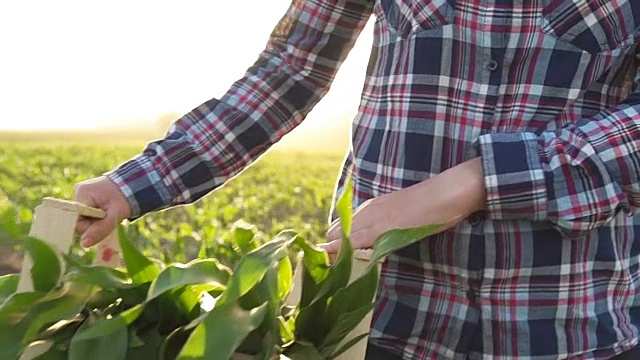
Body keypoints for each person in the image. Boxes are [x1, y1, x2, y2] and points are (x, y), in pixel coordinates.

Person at [74, 0, 640, 358]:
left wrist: (475, 182)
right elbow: (291, 70)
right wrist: (133, 185)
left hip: (569, 320)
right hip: (378, 317)